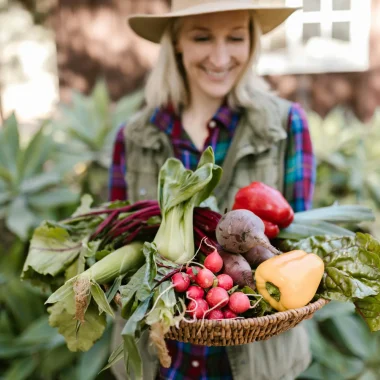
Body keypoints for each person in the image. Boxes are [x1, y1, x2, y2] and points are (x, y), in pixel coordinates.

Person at [109, 1, 316, 379]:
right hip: (158, 359)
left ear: (251, 43)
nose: (220, 57)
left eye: (235, 37)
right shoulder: (134, 136)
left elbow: (297, 248)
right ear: (176, 44)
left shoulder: (287, 125)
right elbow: (117, 240)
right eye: (202, 37)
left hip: (256, 362)